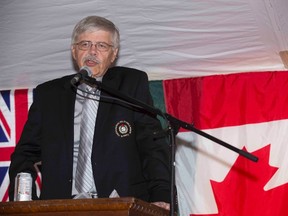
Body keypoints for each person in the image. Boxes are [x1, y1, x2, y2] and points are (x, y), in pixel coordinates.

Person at [9, 16, 171, 210]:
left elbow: (152, 146)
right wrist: (26, 201)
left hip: (121, 204)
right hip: (61, 208)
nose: (92, 51)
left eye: (102, 46)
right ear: (74, 50)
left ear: (114, 54)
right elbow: (24, 154)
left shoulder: (130, 84)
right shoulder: (49, 94)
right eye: (85, 44)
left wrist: (161, 194)